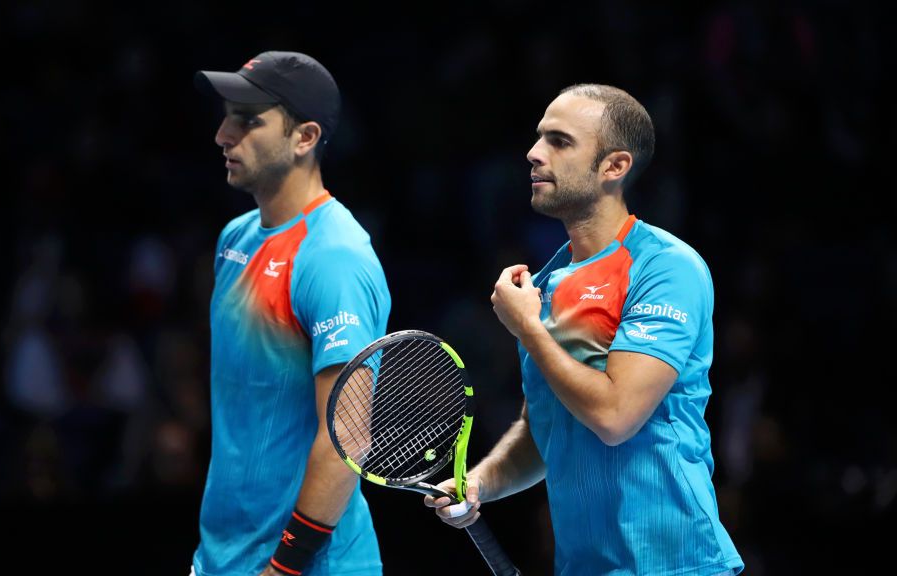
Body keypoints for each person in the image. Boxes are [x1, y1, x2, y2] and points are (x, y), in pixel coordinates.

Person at [424, 84, 744, 575]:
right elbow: (543, 430)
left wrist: (529, 329)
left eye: (560, 141)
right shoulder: (544, 284)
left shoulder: (663, 268)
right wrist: (479, 482)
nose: (534, 154)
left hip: (677, 564)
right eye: (538, 138)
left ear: (614, 167)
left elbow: (616, 416)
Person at [191, 52, 390, 576]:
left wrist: (285, 566)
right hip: (223, 557)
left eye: (249, 121)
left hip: (306, 566)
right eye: (227, 116)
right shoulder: (235, 239)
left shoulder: (333, 257)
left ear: (304, 138)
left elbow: (346, 433)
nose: (223, 135)